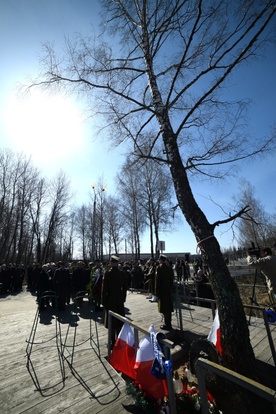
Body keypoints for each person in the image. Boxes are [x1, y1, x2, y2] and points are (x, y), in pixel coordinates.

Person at [101, 255, 127, 348]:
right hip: (119, 299)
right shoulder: (121, 273)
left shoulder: (108, 274)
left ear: (111, 263)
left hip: (110, 299)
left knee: (111, 322)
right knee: (119, 321)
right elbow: (124, 288)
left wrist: (103, 301)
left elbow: (104, 290)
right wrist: (123, 298)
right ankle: (119, 341)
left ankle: (112, 342)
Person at [156, 254, 174, 330]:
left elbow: (157, 281)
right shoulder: (169, 268)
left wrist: (157, 292)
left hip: (162, 291)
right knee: (168, 307)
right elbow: (172, 280)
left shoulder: (159, 268)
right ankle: (168, 323)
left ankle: (167, 325)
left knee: (164, 307)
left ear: (160, 260)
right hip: (168, 290)